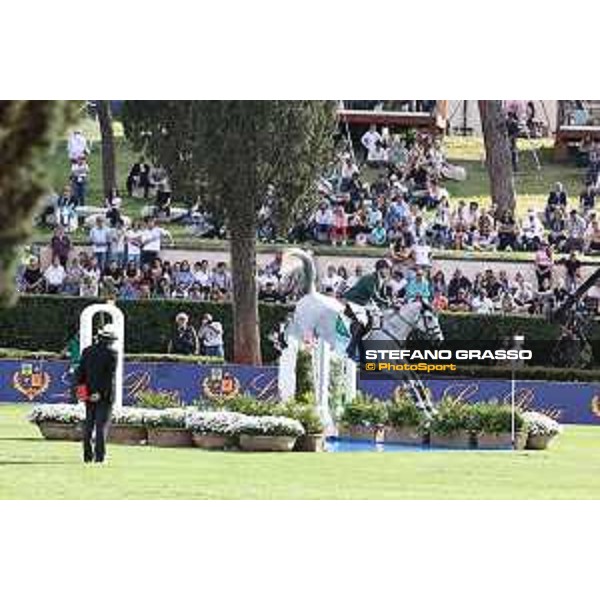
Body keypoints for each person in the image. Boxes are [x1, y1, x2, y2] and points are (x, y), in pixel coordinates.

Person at [75, 324, 118, 464]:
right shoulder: (112, 353)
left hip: (88, 393)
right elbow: (108, 377)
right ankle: (99, 457)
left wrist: (84, 393)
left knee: (89, 425)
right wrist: (99, 393)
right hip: (104, 396)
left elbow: (80, 374)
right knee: (101, 426)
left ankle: (87, 456)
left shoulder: (87, 351)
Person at [343, 258, 392, 358]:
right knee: (363, 321)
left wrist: (392, 301)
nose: (388, 271)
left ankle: (363, 351)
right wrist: (387, 302)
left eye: (388, 269)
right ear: (380, 269)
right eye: (386, 268)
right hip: (352, 301)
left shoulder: (382, 280)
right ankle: (351, 348)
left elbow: (383, 295)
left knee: (373, 320)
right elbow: (374, 296)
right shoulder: (370, 278)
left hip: (362, 303)